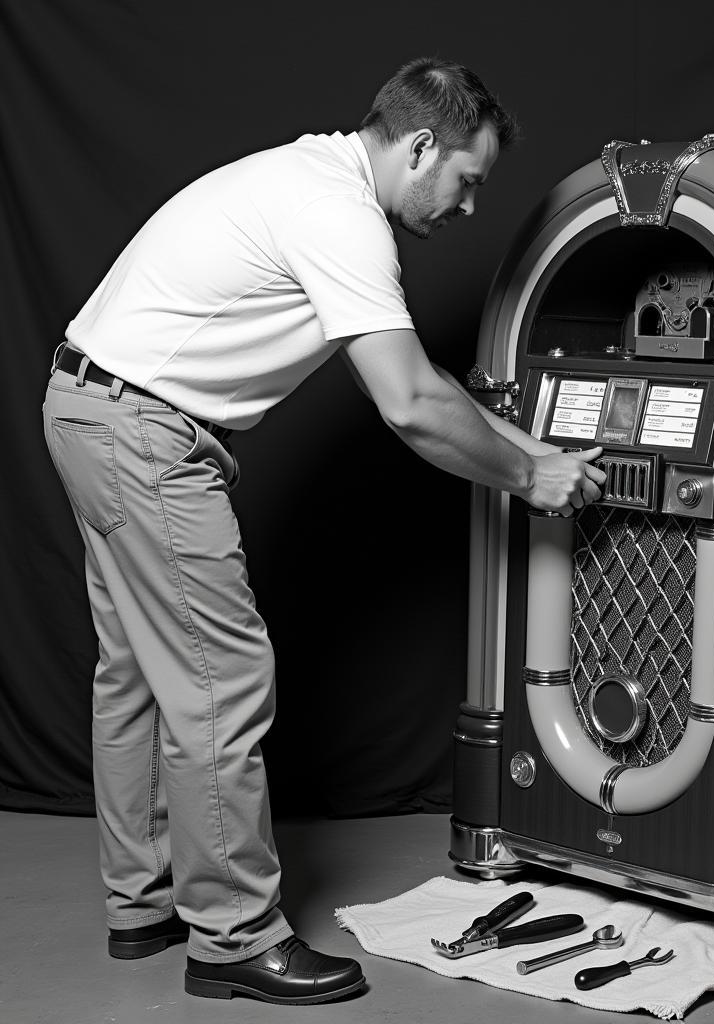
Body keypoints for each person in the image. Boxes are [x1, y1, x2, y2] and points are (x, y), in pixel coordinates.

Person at [42, 57, 605, 1006]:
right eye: (468, 180)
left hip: (91, 407)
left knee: (139, 673)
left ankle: (142, 905)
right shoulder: (339, 216)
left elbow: (430, 389)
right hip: (145, 434)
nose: (469, 208)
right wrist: (531, 475)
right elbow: (412, 405)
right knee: (220, 681)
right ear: (421, 146)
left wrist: (536, 453)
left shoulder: (312, 179)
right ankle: (231, 939)